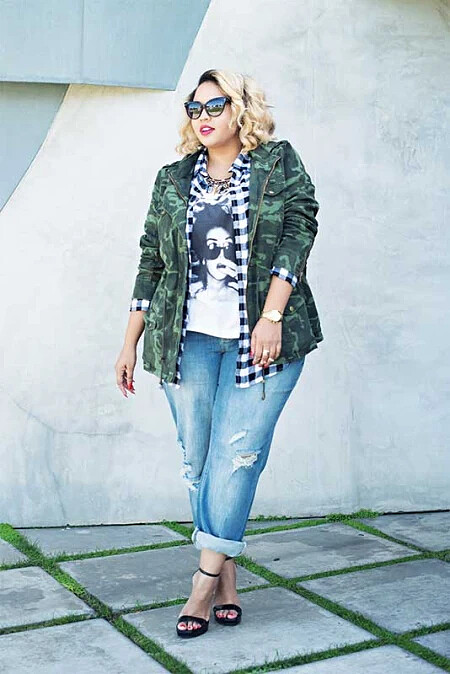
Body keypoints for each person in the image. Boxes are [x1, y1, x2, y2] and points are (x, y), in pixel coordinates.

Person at [115, 68, 324, 638]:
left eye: (215, 105)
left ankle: (203, 581)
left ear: (240, 108)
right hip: (185, 343)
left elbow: (298, 235)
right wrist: (129, 340)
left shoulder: (277, 163)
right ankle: (228, 574)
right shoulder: (173, 178)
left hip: (261, 338)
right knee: (199, 464)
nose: (203, 117)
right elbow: (151, 260)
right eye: (194, 108)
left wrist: (271, 316)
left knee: (237, 460)